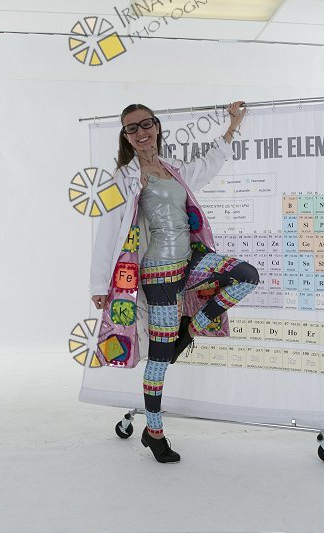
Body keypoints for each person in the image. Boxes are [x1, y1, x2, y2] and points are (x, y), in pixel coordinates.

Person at [89, 101, 260, 463]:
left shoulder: (173, 168)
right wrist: (99, 285)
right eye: (132, 128)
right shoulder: (122, 178)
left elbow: (208, 165)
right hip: (158, 274)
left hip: (191, 260)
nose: (140, 132)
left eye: (145, 124)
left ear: (156, 126)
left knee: (246, 275)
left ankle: (190, 330)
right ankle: (153, 432)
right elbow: (106, 229)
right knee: (160, 360)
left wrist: (232, 126)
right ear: (126, 136)